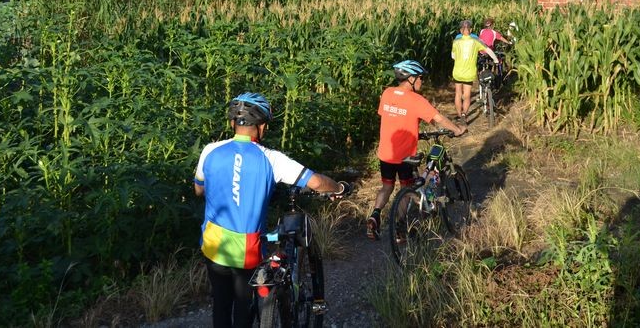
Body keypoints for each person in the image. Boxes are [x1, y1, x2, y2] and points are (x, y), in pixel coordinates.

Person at [194, 92, 348, 328]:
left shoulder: (210, 150)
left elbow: (199, 190)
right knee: (243, 310)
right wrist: (339, 187)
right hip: (246, 249)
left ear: (232, 123)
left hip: (213, 242)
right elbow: (315, 182)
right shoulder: (271, 159)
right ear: (262, 126)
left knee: (221, 304)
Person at [366, 60, 466, 240]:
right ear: (410, 79)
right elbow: (438, 119)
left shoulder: (387, 93)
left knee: (387, 186)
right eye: (420, 78)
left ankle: (374, 215)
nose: (422, 81)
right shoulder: (416, 100)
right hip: (404, 156)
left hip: (385, 153)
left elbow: (389, 116)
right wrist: (457, 129)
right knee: (408, 188)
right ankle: (400, 229)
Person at [451, 19, 498, 120]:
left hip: (457, 71)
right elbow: (488, 50)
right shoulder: (475, 41)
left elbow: (453, 56)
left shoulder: (456, 42)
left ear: (460, 30)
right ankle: (464, 114)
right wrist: (496, 60)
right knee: (467, 95)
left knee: (458, 93)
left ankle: (459, 115)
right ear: (471, 29)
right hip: (469, 72)